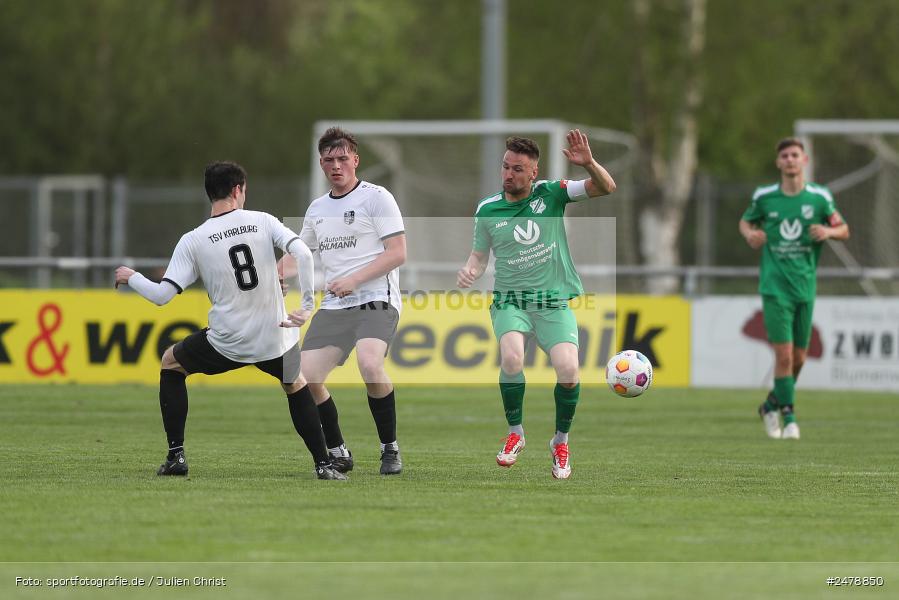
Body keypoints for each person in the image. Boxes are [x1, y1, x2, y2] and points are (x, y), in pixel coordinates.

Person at [114, 161, 346, 480]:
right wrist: (306, 305)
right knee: (295, 384)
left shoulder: (194, 239)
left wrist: (132, 277)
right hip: (273, 335)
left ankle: (176, 456)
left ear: (210, 193)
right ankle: (323, 464)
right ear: (238, 190)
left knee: (171, 364)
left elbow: (161, 296)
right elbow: (304, 254)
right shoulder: (263, 220)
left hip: (227, 340)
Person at [456, 131, 616, 479]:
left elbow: (606, 187)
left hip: (552, 302)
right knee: (512, 358)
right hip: (510, 301)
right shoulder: (487, 209)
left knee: (569, 371)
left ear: (533, 172)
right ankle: (516, 433)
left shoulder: (552, 193)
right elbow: (479, 256)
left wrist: (589, 163)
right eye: (505, 167)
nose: (509, 174)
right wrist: (470, 270)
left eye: (517, 169)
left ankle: (560, 441)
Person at [281, 127, 407, 475]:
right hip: (336, 306)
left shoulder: (377, 197)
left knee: (370, 364)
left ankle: (389, 448)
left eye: (342, 158)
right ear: (321, 163)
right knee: (304, 377)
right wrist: (275, 275)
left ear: (355, 160)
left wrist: (354, 280)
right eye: (328, 160)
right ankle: (338, 450)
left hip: (376, 298)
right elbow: (299, 256)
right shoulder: (318, 208)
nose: (336, 165)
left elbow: (398, 253)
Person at [739, 137, 849, 440]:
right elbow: (745, 223)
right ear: (778, 162)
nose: (789, 160)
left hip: (805, 287)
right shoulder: (764, 197)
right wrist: (750, 235)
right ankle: (789, 417)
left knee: (799, 359)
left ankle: (770, 405)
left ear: (804, 161)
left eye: (794, 155)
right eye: (785, 156)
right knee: (785, 357)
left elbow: (844, 229)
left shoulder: (820, 198)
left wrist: (828, 231)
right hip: (775, 288)